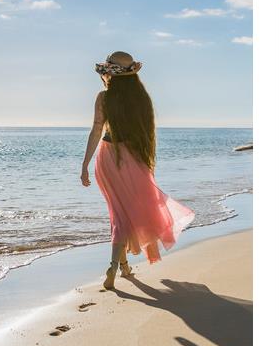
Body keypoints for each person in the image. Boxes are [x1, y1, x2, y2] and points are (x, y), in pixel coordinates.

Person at [80, 51, 195, 290]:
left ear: (110, 73)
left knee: (118, 213)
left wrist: (85, 165)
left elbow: (96, 131)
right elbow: (147, 135)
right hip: (132, 156)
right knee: (128, 213)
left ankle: (119, 266)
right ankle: (117, 266)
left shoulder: (103, 97)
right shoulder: (142, 99)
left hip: (107, 158)